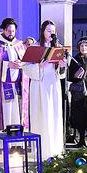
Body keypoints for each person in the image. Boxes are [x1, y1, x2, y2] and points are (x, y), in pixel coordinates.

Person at [22, 20, 66, 160]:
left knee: (54, 116)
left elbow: (61, 73)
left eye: (53, 31)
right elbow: (26, 67)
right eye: (48, 30)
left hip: (53, 85)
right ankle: (42, 151)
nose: (51, 33)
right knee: (42, 116)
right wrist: (39, 66)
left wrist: (62, 65)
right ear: (43, 31)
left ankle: (55, 150)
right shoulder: (35, 47)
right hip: (39, 85)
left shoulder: (57, 47)